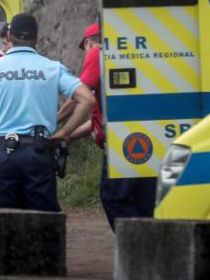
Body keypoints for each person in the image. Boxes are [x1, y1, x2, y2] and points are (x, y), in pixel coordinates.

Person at [0, 13, 95, 212]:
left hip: (3, 153)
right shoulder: (52, 68)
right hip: (39, 151)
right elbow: (87, 99)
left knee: (4, 222)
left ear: (9, 36)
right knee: (43, 221)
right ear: (36, 37)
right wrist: (64, 133)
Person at [65, 22, 156, 230]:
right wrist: (69, 136)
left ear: (88, 43)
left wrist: (57, 125)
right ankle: (149, 249)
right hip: (145, 135)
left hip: (123, 140)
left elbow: (80, 97)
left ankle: (134, 245)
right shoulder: (121, 56)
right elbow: (99, 119)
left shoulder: (97, 53)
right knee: (144, 201)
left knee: (113, 196)